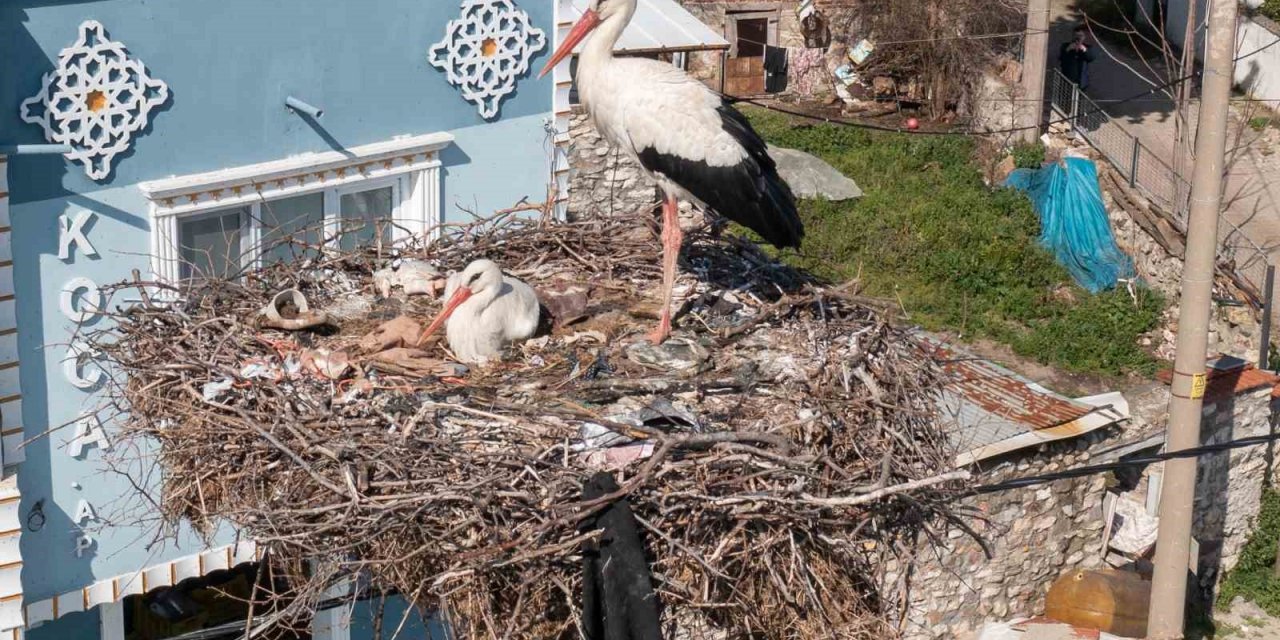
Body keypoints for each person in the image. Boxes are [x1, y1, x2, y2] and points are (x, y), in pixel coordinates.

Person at [1059, 25, 1098, 90]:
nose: (1077, 38)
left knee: (1079, 99)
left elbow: (1091, 58)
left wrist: (1084, 50)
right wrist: (1068, 49)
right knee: (1065, 98)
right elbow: (1060, 58)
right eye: (1076, 36)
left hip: (1081, 82)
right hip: (1067, 80)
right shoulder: (1065, 45)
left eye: (1080, 36)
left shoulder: (1088, 47)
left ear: (1084, 37)